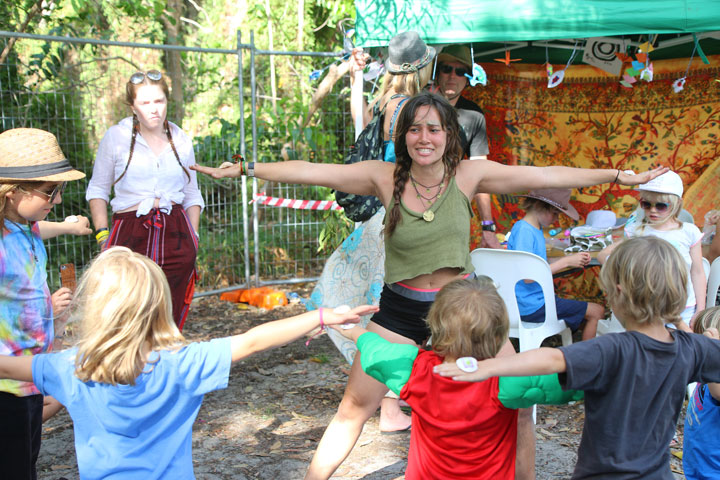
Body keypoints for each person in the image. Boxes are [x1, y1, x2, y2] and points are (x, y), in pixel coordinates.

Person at [191, 91, 667, 479]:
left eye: (433, 128)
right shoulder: (385, 177)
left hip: (464, 311)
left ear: (448, 136)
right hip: (399, 310)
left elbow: (541, 174)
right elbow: (316, 172)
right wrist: (248, 169)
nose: (424, 137)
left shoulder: (468, 173)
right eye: (415, 128)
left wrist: (618, 176)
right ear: (404, 136)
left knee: (519, 400)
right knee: (354, 407)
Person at [0, 246, 375, 479]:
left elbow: (7, 367)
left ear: (97, 308)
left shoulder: (72, 367)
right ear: (159, 303)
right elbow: (253, 340)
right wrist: (322, 316)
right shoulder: (183, 364)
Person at [436, 236, 720, 479]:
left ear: (617, 293)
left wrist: (489, 366)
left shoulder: (612, 349)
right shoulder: (691, 349)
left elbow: (551, 358)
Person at [333, 275, 581, 479]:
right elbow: (574, 382)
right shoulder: (507, 382)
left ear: (434, 326)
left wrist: (349, 328)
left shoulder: (415, 370)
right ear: (498, 336)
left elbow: (375, 347)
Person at [313, 31, 435, 433]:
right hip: (398, 215)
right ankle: (389, 405)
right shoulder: (411, 109)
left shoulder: (384, 103)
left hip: (376, 219)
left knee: (376, 301)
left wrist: (354, 82)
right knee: (395, 307)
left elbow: (358, 127)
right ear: (420, 67)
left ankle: (388, 399)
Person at [86, 69, 204, 330]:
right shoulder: (116, 137)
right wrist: (103, 236)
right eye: (145, 103)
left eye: (159, 101)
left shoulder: (181, 139)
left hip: (176, 232)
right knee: (127, 309)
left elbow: (192, 193)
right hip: (130, 231)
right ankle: (127, 367)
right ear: (132, 106)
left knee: (169, 311)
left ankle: (164, 364)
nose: (154, 110)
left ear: (167, 101)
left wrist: (193, 236)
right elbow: (98, 189)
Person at [0, 128, 87, 480]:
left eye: (60, 189)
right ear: (11, 192)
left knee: (28, 460)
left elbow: (44, 225)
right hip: (7, 383)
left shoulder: (27, 225)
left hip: (33, 373)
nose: (58, 199)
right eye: (50, 191)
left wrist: (66, 228)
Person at [599, 171, 704, 329]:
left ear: (676, 204)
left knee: (682, 347)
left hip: (684, 307)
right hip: (646, 308)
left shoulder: (689, 232)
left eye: (661, 206)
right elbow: (606, 256)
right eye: (646, 204)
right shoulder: (636, 231)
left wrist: (700, 309)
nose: (652, 210)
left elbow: (697, 271)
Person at [508, 188, 604, 340]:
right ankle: (586, 360)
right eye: (555, 213)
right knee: (597, 312)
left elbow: (538, 264)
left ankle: (578, 351)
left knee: (584, 314)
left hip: (535, 302)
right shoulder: (524, 231)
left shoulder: (534, 229)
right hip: (532, 306)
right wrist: (566, 262)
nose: (556, 219)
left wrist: (570, 259)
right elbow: (527, 277)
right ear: (539, 206)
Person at [435, 44, 499, 248]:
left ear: (468, 77)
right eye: (446, 69)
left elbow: (479, 172)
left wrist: (487, 225)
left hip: (451, 209)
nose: (452, 76)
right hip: (413, 203)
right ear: (437, 72)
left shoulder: (474, 115)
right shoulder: (419, 106)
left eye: (460, 71)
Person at [684, 306, 720, 479]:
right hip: (698, 462)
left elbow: (717, 393)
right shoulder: (708, 368)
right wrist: (677, 320)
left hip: (713, 471)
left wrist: (712, 352)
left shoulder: (716, 381)